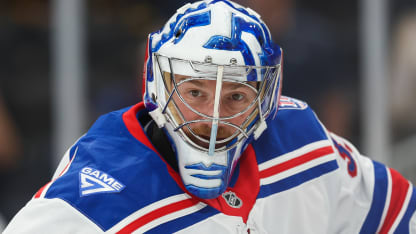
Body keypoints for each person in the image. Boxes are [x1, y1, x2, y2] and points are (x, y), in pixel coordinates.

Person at [4, 0, 416, 233]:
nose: (212, 117)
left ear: (266, 98)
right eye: (195, 91)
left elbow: (398, 215)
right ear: (158, 86)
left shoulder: (302, 140)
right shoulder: (94, 201)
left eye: (236, 95)